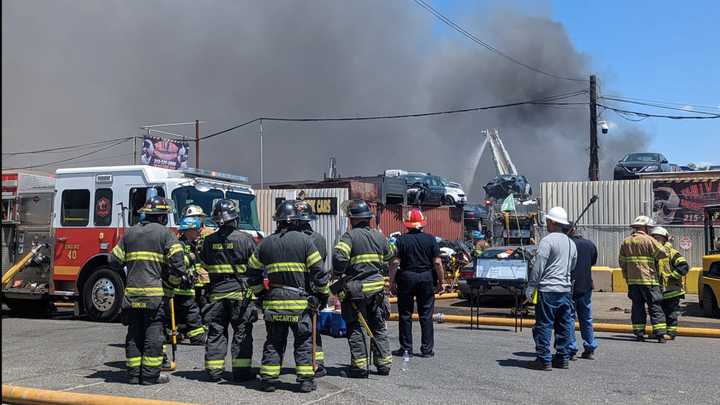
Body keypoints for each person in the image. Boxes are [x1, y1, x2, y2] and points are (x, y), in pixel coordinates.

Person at [248, 200, 329, 393]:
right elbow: (319, 272)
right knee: (303, 341)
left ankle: (267, 378)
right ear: (295, 221)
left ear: (278, 220)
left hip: (274, 301)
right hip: (299, 303)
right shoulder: (305, 242)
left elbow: (251, 272)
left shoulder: (265, 243)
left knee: (274, 340)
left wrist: (261, 294)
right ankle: (306, 380)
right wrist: (322, 295)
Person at [110, 196, 188, 385]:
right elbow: (178, 266)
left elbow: (113, 261)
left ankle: (134, 375)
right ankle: (150, 376)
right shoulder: (166, 234)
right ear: (162, 217)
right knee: (154, 335)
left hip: (132, 295)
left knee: (134, 334)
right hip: (154, 296)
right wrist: (171, 284)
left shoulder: (129, 234)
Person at [332, 199, 395, 378]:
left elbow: (339, 257)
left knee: (356, 328)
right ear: (368, 218)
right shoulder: (379, 236)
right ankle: (384, 365)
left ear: (352, 219)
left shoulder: (349, 237)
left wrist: (340, 272)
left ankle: (359, 368)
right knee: (379, 326)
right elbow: (391, 254)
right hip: (378, 291)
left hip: (357, 292)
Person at [198, 199, 258, 382]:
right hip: (240, 294)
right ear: (234, 218)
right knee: (242, 333)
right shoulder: (246, 240)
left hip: (216, 294)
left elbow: (203, 265)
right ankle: (241, 373)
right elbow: (256, 267)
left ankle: (214, 372)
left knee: (216, 332)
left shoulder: (208, 242)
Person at [526, 206, 577, 371]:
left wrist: (531, 286)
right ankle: (562, 358)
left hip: (548, 290)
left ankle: (544, 359)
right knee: (563, 325)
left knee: (544, 325)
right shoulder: (571, 243)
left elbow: (539, 265)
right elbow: (572, 265)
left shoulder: (547, 241)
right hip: (565, 290)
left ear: (553, 222)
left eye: (548, 221)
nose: (546, 223)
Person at [388, 208, 444, 358]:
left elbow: (394, 263)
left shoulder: (401, 241)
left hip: (406, 278)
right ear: (422, 224)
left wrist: (391, 283)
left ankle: (406, 348)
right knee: (426, 315)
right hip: (426, 278)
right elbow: (437, 263)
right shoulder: (431, 239)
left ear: (407, 225)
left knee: (405, 314)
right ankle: (427, 350)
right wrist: (441, 282)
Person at [294, 199, 330, 378]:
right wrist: (322, 294)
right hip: (312, 290)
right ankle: (318, 364)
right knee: (311, 330)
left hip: (290, 290)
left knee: (281, 332)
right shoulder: (319, 239)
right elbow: (321, 267)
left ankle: (273, 368)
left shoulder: (288, 239)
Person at [619, 216, 668, 342]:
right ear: (645, 228)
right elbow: (662, 253)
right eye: (649, 228)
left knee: (637, 306)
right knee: (655, 306)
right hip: (649, 280)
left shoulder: (626, 241)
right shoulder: (649, 240)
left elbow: (622, 263)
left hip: (633, 282)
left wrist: (627, 277)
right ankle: (660, 334)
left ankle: (639, 333)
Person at [650, 226, 689, 339]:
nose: (656, 241)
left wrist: (673, 276)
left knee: (671, 313)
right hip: (658, 290)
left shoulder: (672, 253)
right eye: (654, 238)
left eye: (658, 238)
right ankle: (660, 332)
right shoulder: (652, 254)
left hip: (672, 290)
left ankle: (671, 333)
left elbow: (684, 266)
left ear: (665, 239)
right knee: (659, 313)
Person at [173, 216, 207, 345]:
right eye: (196, 229)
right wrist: (191, 258)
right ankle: (197, 337)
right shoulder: (180, 245)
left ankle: (176, 334)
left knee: (182, 314)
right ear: (188, 230)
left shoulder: (192, 245)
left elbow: (196, 266)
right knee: (192, 313)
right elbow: (178, 264)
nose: (199, 231)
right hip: (180, 288)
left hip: (188, 287)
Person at [567, 228, 598, 360]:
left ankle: (571, 348)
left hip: (570, 286)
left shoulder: (568, 244)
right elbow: (593, 262)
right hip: (586, 286)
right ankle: (590, 347)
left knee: (569, 318)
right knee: (586, 318)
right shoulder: (590, 245)